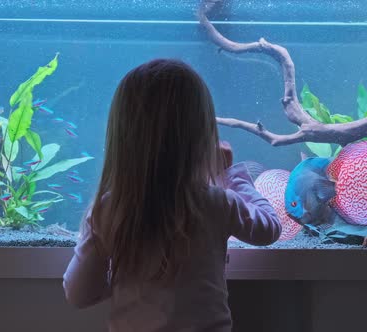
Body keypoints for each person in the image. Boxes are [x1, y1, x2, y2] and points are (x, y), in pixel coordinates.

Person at [62, 58, 282, 332]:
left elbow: (78, 293)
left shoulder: (110, 209)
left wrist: (120, 280)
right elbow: (269, 228)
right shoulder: (215, 202)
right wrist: (232, 175)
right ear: (201, 135)